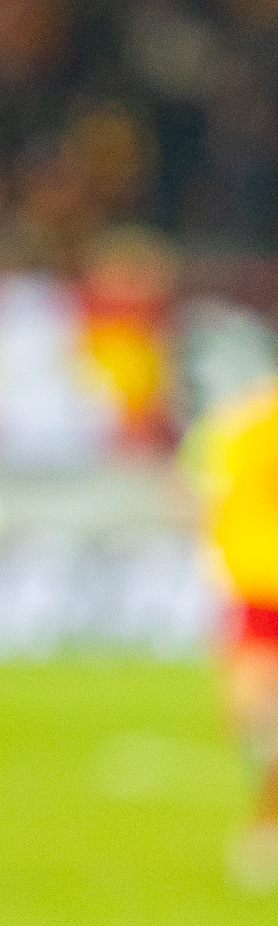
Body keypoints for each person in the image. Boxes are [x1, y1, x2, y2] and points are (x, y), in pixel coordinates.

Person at [182, 377, 278, 892]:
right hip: (254, 587)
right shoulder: (240, 422)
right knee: (242, 716)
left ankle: (266, 827)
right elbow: (200, 493)